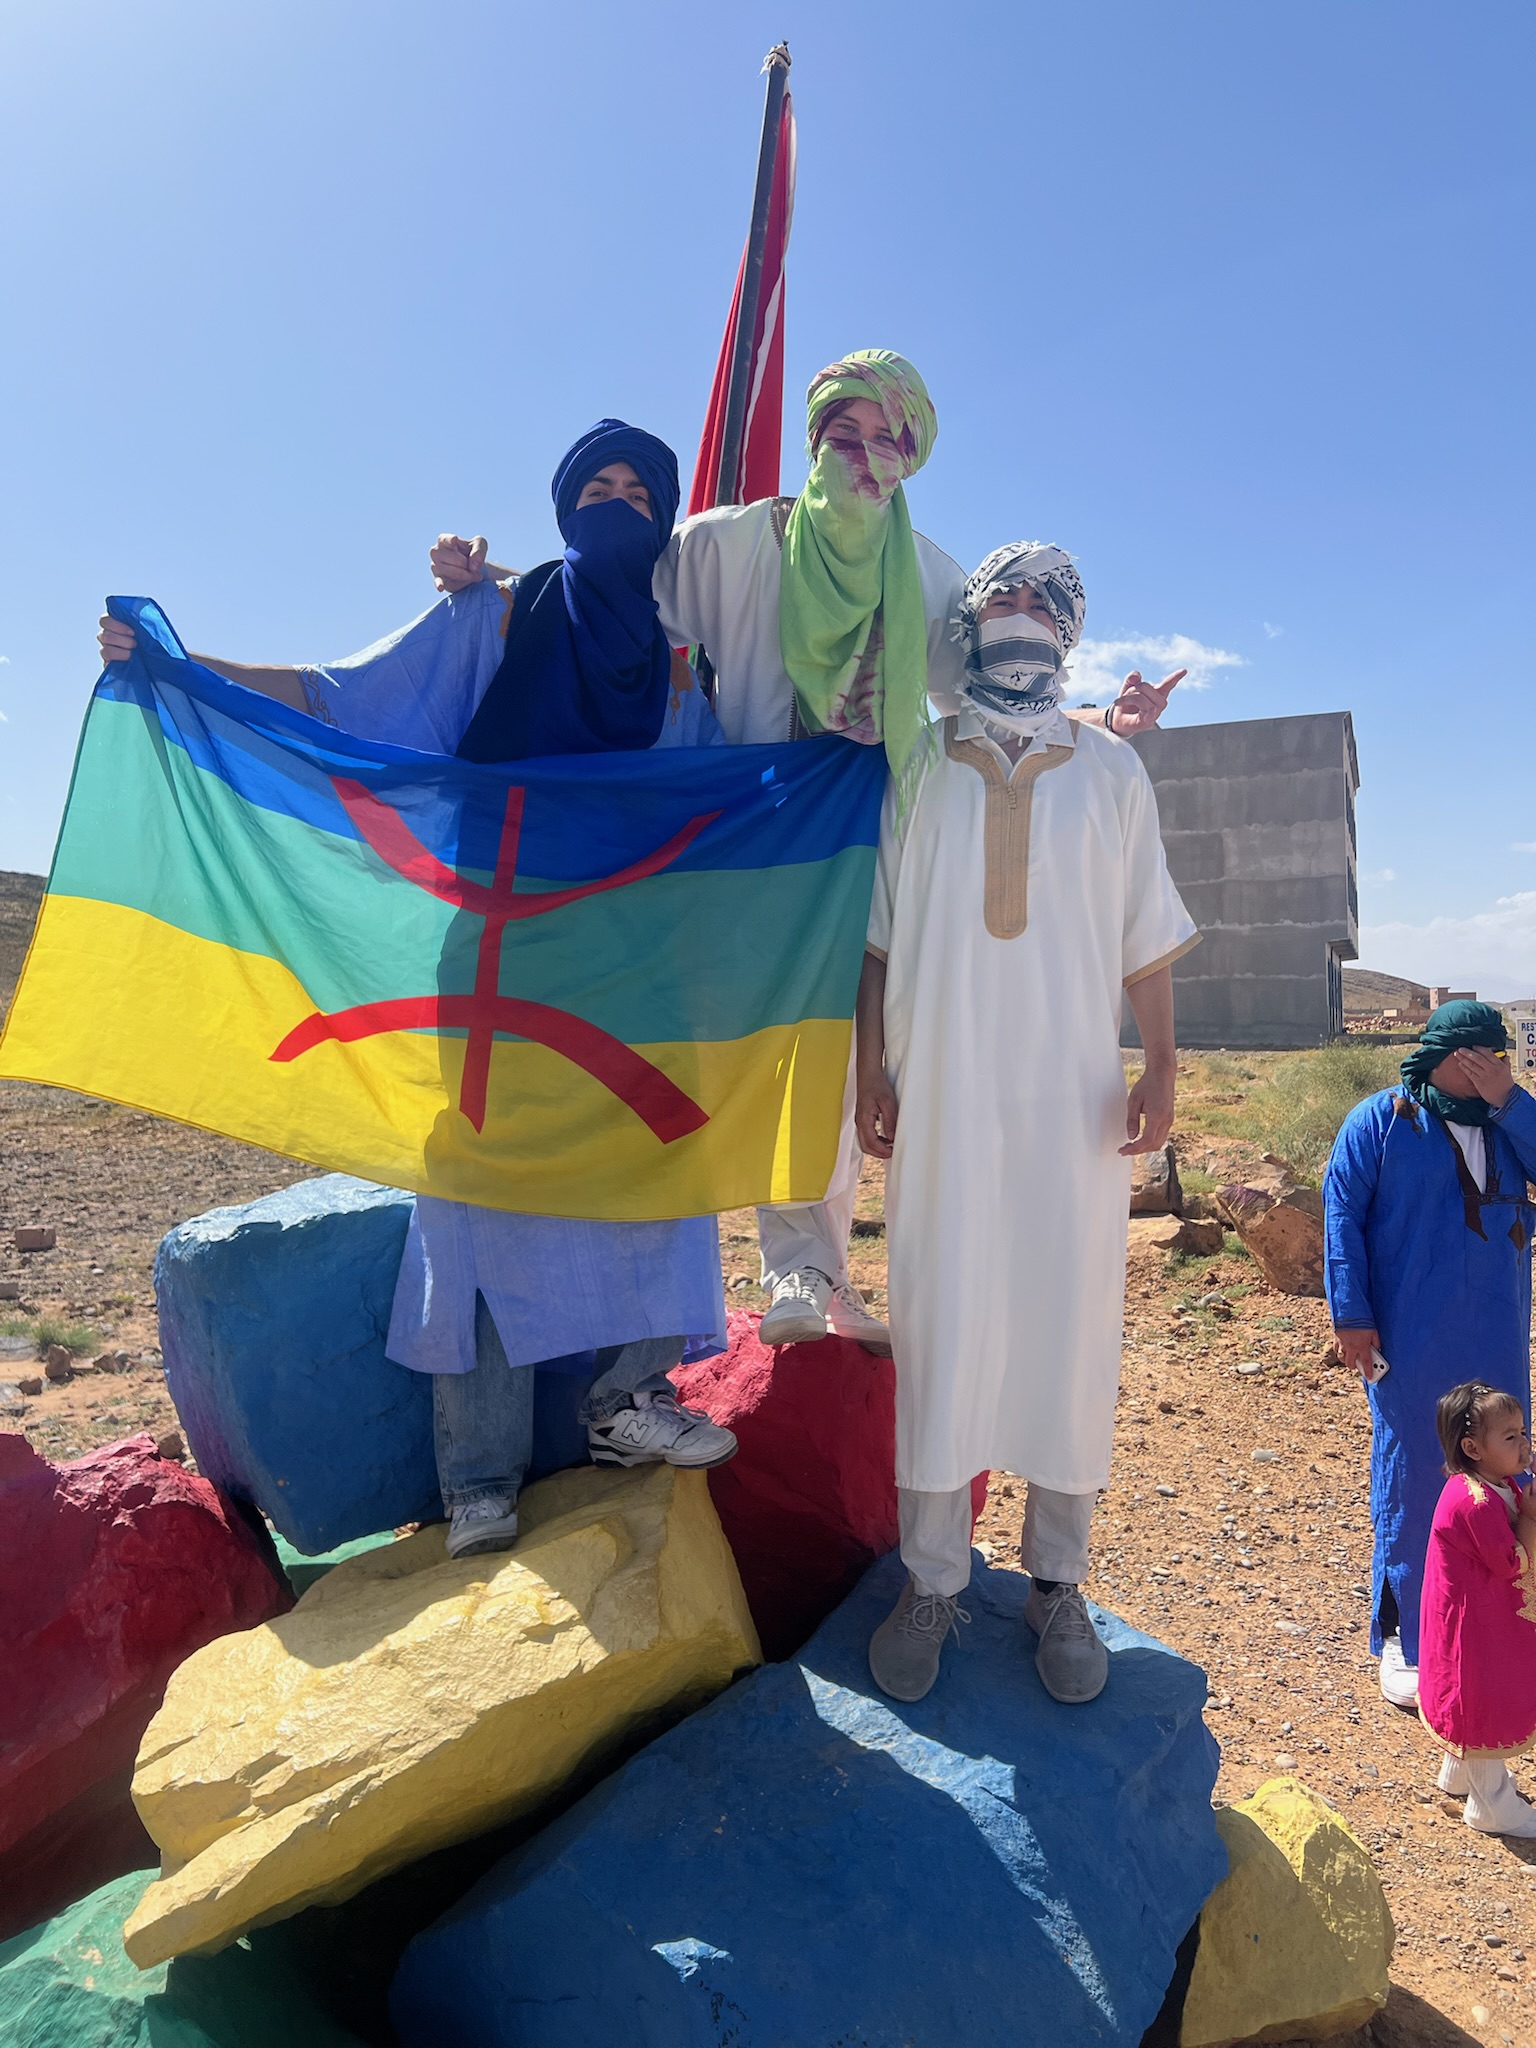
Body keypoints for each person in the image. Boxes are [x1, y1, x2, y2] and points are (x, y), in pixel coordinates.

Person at [429, 352, 1181, 1353]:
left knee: (836, 1051)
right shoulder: (732, 543)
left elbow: (992, 694)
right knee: (738, 1044)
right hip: (742, 837)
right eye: (843, 432)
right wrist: (493, 577)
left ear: (909, 458)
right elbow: (608, 584)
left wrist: (1103, 718)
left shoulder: (925, 575)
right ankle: (738, 1286)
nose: (861, 456)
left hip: (859, 832)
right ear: (814, 436)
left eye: (885, 439)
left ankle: (816, 1272)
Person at [98, 420, 738, 1561]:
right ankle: (478, 1474)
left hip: (626, 959)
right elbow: (346, 695)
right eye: (595, 485)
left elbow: (733, 780)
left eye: (640, 491)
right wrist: (187, 669)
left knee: (658, 1159)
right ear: (560, 506)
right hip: (498, 946)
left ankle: (627, 1401)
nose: (616, 502)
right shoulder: (495, 618)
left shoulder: (686, 658)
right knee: (484, 1198)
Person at [852, 542, 1198, 1705]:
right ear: (971, 619)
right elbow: (880, 939)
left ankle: (1058, 1578)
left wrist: (1159, 1061)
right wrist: (872, 1071)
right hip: (944, 1093)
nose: (1019, 615)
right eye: (1000, 597)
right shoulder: (920, 764)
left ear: (1070, 627)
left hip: (1071, 1106)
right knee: (945, 1320)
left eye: (1041, 601)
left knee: (1066, 1325)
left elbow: (1144, 934)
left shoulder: (1109, 770)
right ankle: (934, 1578)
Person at [1324, 1002, 1536, 1706]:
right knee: (1416, 1475)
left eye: (1502, 1058)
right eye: (1487, 1057)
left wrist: (1512, 1101)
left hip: (1496, 1336)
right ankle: (1406, 1636)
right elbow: (1342, 1216)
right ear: (1454, 1057)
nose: (1498, 1067)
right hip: (1412, 1339)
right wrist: (1352, 1316)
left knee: (1502, 1472)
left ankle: (1500, 1630)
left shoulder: (1509, 1125)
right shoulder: (1380, 1122)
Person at [1418, 1381, 1536, 1837]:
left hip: (1470, 1613)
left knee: (1469, 1692)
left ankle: (1459, 1773)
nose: (1524, 1444)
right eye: (1511, 1437)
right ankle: (1492, 1803)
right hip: (1474, 1624)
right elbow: (1512, 1562)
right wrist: (1530, 1517)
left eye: (1523, 1432)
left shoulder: (1491, 1484)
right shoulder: (1475, 1503)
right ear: (1473, 1448)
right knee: (1483, 1696)